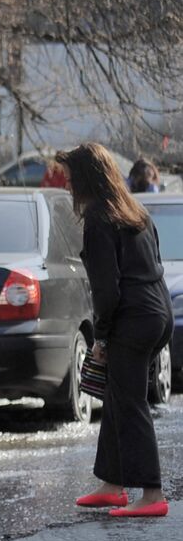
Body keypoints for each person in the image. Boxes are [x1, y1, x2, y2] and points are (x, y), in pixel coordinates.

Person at [59, 143, 172, 518]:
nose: (69, 187)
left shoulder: (98, 218)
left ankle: (152, 493)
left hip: (132, 319)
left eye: (72, 179)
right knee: (119, 395)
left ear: (88, 180)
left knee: (130, 403)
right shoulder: (136, 211)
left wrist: (102, 338)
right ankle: (112, 484)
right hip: (158, 314)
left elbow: (107, 289)